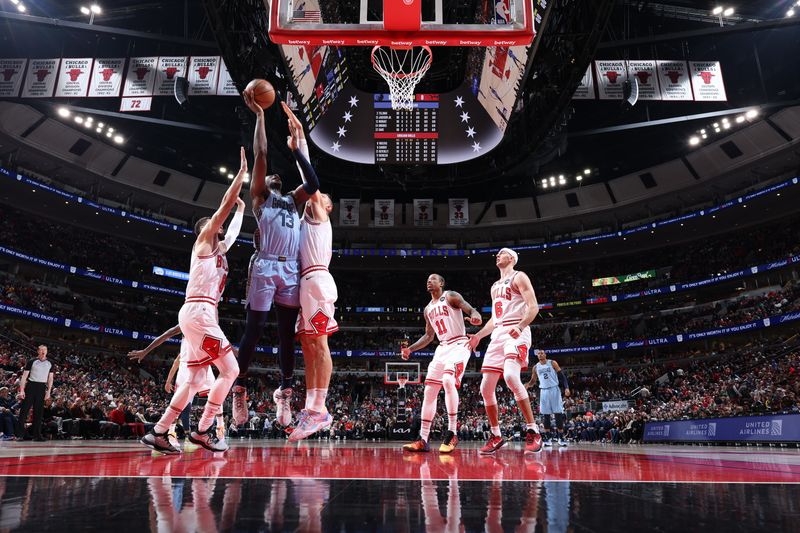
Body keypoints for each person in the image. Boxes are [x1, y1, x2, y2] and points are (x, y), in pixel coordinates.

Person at [140, 146, 247, 454]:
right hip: (200, 311)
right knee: (231, 371)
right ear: (205, 230)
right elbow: (223, 208)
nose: (221, 229)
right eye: (216, 226)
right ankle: (203, 430)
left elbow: (233, 230)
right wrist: (239, 177)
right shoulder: (203, 242)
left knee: (193, 381)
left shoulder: (220, 250)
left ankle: (158, 432)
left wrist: (241, 211)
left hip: (200, 314)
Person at [232, 94, 321, 428]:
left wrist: (297, 148)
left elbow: (312, 183)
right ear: (264, 184)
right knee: (254, 329)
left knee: (287, 335)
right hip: (266, 265)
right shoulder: (260, 198)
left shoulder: (292, 201)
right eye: (272, 177)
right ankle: (239, 388)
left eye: (278, 178)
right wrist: (259, 116)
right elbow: (262, 154)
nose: (276, 177)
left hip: (290, 270)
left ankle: (284, 391)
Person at [286, 105, 338, 441]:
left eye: (320, 198)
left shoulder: (320, 214)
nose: (314, 198)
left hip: (318, 281)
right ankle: (310, 408)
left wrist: (300, 141)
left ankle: (321, 410)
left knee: (318, 344)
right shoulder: (302, 219)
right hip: (303, 282)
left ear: (327, 206)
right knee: (306, 344)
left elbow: (311, 182)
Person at [467, 248, 543, 454]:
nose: (497, 256)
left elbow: (533, 306)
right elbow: (494, 319)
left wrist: (519, 326)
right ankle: (496, 435)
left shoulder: (519, 276)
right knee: (485, 388)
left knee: (510, 375)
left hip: (516, 330)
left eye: (501, 253)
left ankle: (533, 430)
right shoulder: (494, 286)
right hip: (498, 333)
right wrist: (478, 335)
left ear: (512, 258)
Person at [401, 274, 482, 453]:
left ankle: (452, 432)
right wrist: (411, 349)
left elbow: (470, 309)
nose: (429, 281)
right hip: (442, 348)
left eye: (433, 279)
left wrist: (476, 316)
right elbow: (429, 336)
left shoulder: (451, 296)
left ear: (442, 283)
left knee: (448, 380)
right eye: (427, 279)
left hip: (460, 343)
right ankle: (423, 439)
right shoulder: (427, 309)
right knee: (429, 391)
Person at [129, 322, 227, 450]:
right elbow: (173, 353)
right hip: (188, 367)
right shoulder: (192, 320)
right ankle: (171, 433)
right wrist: (168, 381)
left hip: (201, 365)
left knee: (215, 395)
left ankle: (219, 428)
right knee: (184, 405)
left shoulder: (206, 324)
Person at [526, 349, 570, 446]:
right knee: (546, 415)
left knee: (558, 414)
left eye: (542, 353)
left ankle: (561, 437)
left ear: (545, 355)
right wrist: (527, 385)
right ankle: (548, 438)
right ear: (537, 356)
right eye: (538, 354)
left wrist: (566, 387)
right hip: (544, 391)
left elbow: (562, 376)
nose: (540, 355)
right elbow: (533, 381)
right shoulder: (535, 367)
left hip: (554, 389)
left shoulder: (552, 363)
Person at [15, 345, 54, 441]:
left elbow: (50, 378)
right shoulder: (32, 361)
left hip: (41, 387)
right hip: (31, 386)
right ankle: (19, 435)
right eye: (41, 350)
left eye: (45, 350)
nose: (43, 351)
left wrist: (48, 391)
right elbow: (24, 377)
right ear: (38, 351)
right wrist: (22, 390)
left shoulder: (50, 363)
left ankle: (37, 435)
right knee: (24, 410)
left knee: (39, 413)